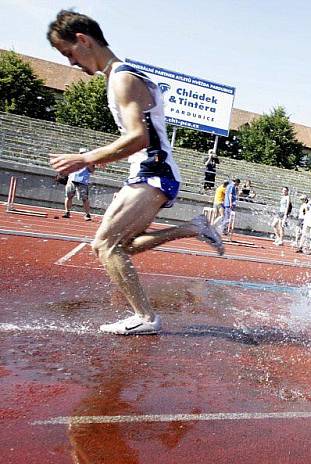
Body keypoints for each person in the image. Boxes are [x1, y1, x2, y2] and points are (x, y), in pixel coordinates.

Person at [46, 9, 224, 335]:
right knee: (122, 247)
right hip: (149, 170)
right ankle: (193, 227)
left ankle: (146, 317)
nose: (71, 63)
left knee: (104, 245)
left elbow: (137, 138)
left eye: (68, 53)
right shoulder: (121, 77)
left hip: (153, 170)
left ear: (83, 40)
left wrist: (85, 158)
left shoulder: (123, 79)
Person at [63, 147, 94, 220]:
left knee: (84, 199)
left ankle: (87, 214)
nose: (82, 155)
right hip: (72, 179)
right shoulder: (75, 160)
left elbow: (92, 170)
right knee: (68, 196)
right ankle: (67, 212)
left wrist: (87, 163)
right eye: (81, 153)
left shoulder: (90, 162)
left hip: (83, 182)